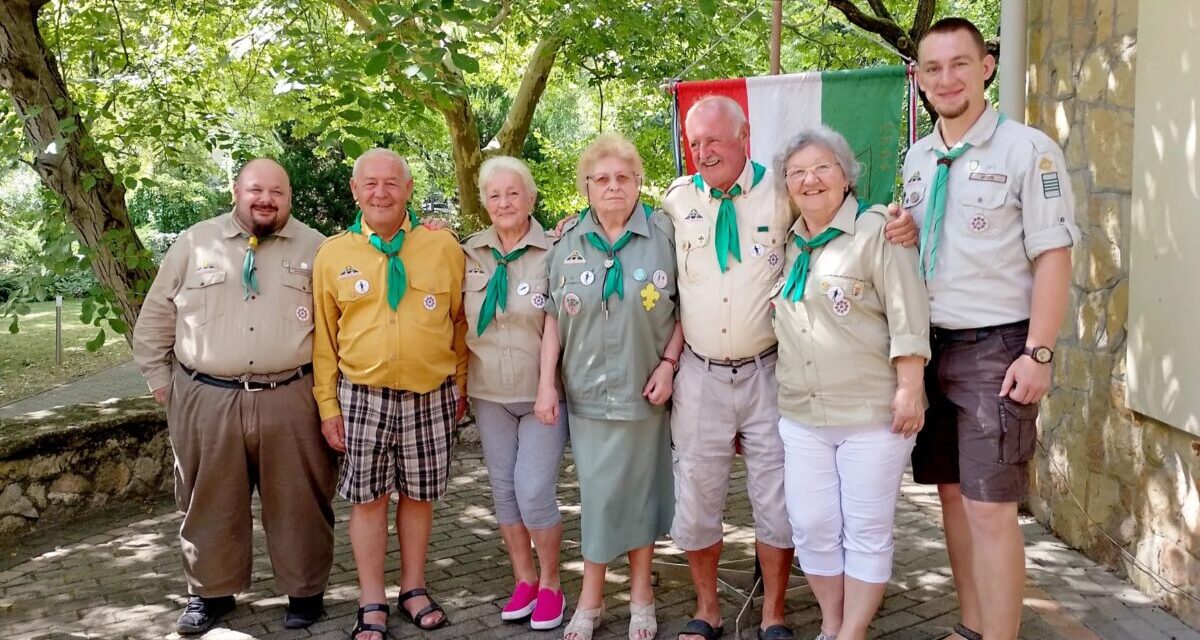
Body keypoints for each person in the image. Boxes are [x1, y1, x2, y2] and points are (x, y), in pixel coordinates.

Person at [898, 17, 1078, 640]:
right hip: (932, 348)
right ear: (919, 77)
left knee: (990, 509)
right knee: (950, 497)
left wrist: (1040, 352)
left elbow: (1053, 254)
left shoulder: (1029, 150)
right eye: (933, 67)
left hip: (998, 347)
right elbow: (937, 242)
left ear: (986, 67)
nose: (946, 78)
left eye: (959, 64)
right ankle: (973, 628)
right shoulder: (919, 158)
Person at [132, 158, 336, 635]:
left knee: (301, 498)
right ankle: (209, 593)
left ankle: (305, 591)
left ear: (289, 196)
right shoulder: (193, 243)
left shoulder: (318, 248)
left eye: (277, 192)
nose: (265, 199)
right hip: (206, 397)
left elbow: (337, 325)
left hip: (291, 394)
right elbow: (157, 316)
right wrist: (161, 382)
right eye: (255, 190)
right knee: (207, 498)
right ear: (235, 191)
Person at [771, 126, 930, 640]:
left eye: (822, 168)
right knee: (812, 527)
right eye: (797, 172)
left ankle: (853, 631)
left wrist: (910, 387)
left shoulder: (879, 230)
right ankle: (832, 623)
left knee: (866, 532)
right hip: (801, 416)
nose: (809, 180)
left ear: (846, 175)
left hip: (871, 416)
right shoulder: (788, 243)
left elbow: (908, 314)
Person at [311, 148, 468, 640]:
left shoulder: (444, 248)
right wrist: (327, 406)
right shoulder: (333, 254)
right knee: (369, 498)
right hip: (362, 396)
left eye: (391, 183)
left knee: (420, 497)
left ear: (409, 189)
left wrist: (460, 385)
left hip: (431, 393)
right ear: (355, 191)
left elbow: (460, 323)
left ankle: (414, 589)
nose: (381, 192)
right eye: (370, 183)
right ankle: (371, 598)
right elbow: (323, 340)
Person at [534, 133, 682, 640]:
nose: (612, 186)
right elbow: (552, 317)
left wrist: (669, 363)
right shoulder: (567, 241)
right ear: (587, 187)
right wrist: (545, 386)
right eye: (602, 179)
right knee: (597, 497)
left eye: (623, 177)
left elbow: (687, 307)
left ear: (639, 182)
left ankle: (642, 596)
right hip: (587, 394)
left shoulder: (666, 234)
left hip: (646, 391)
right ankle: (591, 600)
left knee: (642, 493)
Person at [660, 95, 797, 640]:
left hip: (769, 371)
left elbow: (839, 223)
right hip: (699, 374)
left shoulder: (783, 192)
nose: (704, 151)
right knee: (696, 497)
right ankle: (707, 608)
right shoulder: (676, 201)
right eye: (696, 143)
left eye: (714, 140)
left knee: (777, 498)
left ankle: (774, 613)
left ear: (745, 137)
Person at [462, 156, 569, 630]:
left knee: (533, 490)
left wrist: (549, 386)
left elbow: (557, 322)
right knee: (504, 492)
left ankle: (551, 584)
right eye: (494, 195)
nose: (504, 202)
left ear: (531, 197)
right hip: (488, 393)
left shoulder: (558, 249)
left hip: (543, 393)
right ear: (484, 202)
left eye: (513, 193)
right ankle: (523, 580)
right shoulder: (467, 253)